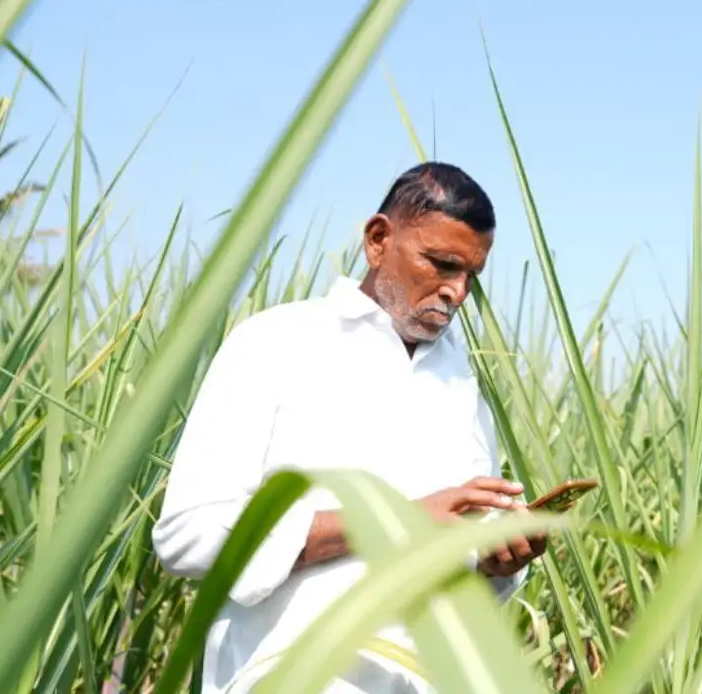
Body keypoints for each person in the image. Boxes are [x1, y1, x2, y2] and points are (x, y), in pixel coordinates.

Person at [151, 162, 547, 693]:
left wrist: (498, 562)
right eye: (441, 264)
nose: (456, 292)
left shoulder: (463, 385)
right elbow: (187, 537)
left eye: (470, 275)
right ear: (379, 239)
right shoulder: (273, 344)